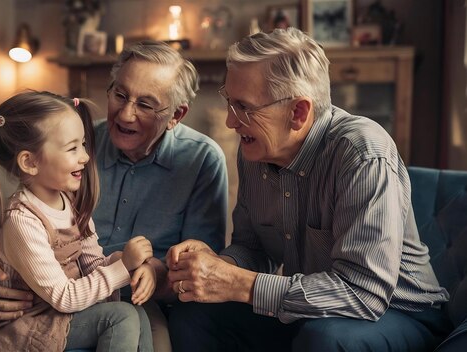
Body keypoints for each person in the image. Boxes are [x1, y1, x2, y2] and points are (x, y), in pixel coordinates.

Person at [166, 27, 452, 351]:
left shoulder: (362, 155)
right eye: (229, 102)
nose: (231, 122)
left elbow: (365, 294)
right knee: (193, 315)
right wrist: (219, 268)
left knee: (325, 339)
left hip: (400, 315)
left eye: (244, 107)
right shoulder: (255, 151)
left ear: (298, 112)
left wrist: (239, 284)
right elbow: (252, 248)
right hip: (311, 311)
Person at [0, 41, 228, 351]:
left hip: (129, 299)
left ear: (176, 115)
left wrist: (155, 271)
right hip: (52, 305)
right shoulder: (62, 144)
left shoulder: (202, 160)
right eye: (120, 95)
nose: (126, 115)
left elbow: (201, 267)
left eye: (145, 104)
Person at [0, 90, 154, 351]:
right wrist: (121, 269)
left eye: (83, 144)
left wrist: (122, 261)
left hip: (61, 313)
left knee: (139, 314)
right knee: (121, 316)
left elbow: (92, 264)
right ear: (30, 162)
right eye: (72, 148)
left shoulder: (71, 204)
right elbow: (64, 297)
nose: (84, 156)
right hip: (27, 326)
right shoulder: (22, 222)